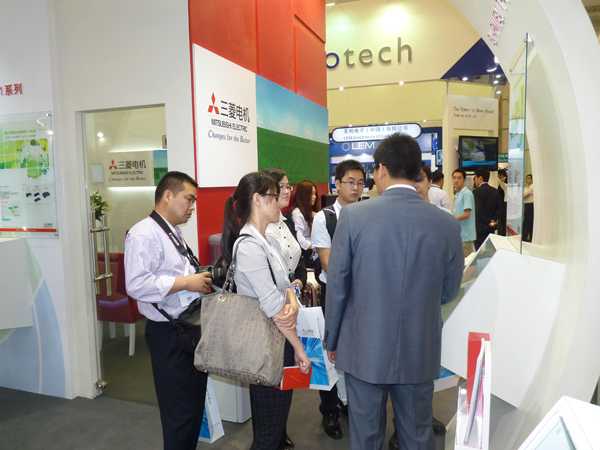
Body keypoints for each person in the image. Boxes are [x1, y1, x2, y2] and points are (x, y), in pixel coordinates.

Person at [324, 133, 464, 450]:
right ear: (416, 171)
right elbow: (449, 290)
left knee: (366, 437)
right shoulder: (446, 224)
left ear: (382, 169)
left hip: (364, 348)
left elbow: (338, 285)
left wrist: (332, 339)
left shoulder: (353, 217)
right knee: (417, 435)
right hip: (419, 348)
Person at [221, 172, 311, 450]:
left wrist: (291, 300)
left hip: (277, 342)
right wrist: (299, 348)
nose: (281, 199)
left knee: (275, 426)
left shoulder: (265, 240)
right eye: (274, 195)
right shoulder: (249, 246)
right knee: (267, 435)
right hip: (266, 347)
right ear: (257, 200)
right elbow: (275, 308)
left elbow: (286, 286)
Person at [124, 171, 212, 450]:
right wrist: (187, 282)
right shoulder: (144, 234)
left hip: (187, 327)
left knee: (193, 407)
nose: (192, 207)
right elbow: (137, 285)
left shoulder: (171, 232)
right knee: (179, 413)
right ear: (167, 195)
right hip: (168, 333)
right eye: (189, 199)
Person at [387, 160, 449, 450]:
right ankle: (401, 430)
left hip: (419, 330)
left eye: (421, 178)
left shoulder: (443, 222)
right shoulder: (386, 217)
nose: (416, 184)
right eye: (413, 178)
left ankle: (408, 428)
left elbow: (449, 284)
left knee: (416, 404)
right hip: (395, 329)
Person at [311, 159, 366, 440]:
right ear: (337, 184)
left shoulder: (368, 213)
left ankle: (349, 403)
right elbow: (328, 263)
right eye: (350, 182)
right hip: (333, 296)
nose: (355, 188)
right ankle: (329, 410)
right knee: (329, 353)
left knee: (356, 352)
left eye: (360, 183)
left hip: (363, 297)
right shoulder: (325, 218)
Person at [290, 179, 319, 269]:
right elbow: (300, 239)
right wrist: (316, 247)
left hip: (314, 250)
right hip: (306, 254)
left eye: (315, 194)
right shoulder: (297, 213)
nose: (314, 197)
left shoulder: (311, 212)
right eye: (311, 194)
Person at [472, 168, 501, 250]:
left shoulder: (476, 192)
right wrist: (492, 221)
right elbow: (499, 208)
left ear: (480, 178)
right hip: (491, 227)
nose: (475, 180)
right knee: (489, 249)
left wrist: (488, 221)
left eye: (475, 177)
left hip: (480, 227)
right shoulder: (495, 191)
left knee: (479, 250)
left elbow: (479, 209)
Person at [452, 168, 476, 258]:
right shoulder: (458, 194)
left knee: (465, 262)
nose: (456, 180)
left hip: (465, 236)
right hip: (459, 235)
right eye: (454, 178)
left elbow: (467, 214)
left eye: (459, 178)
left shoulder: (467, 194)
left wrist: (452, 220)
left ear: (464, 180)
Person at [523, 174, 534, 242]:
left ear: (532, 179)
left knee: (529, 222)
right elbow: (522, 195)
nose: (526, 180)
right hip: (526, 205)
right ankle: (525, 237)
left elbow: (525, 194)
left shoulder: (533, 187)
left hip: (531, 205)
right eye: (526, 178)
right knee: (526, 222)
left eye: (528, 178)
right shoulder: (526, 188)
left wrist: (524, 195)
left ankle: (529, 237)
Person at [497, 169, 508, 236]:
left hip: (505, 202)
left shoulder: (505, 182)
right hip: (503, 202)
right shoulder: (502, 182)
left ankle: (503, 233)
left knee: (503, 219)